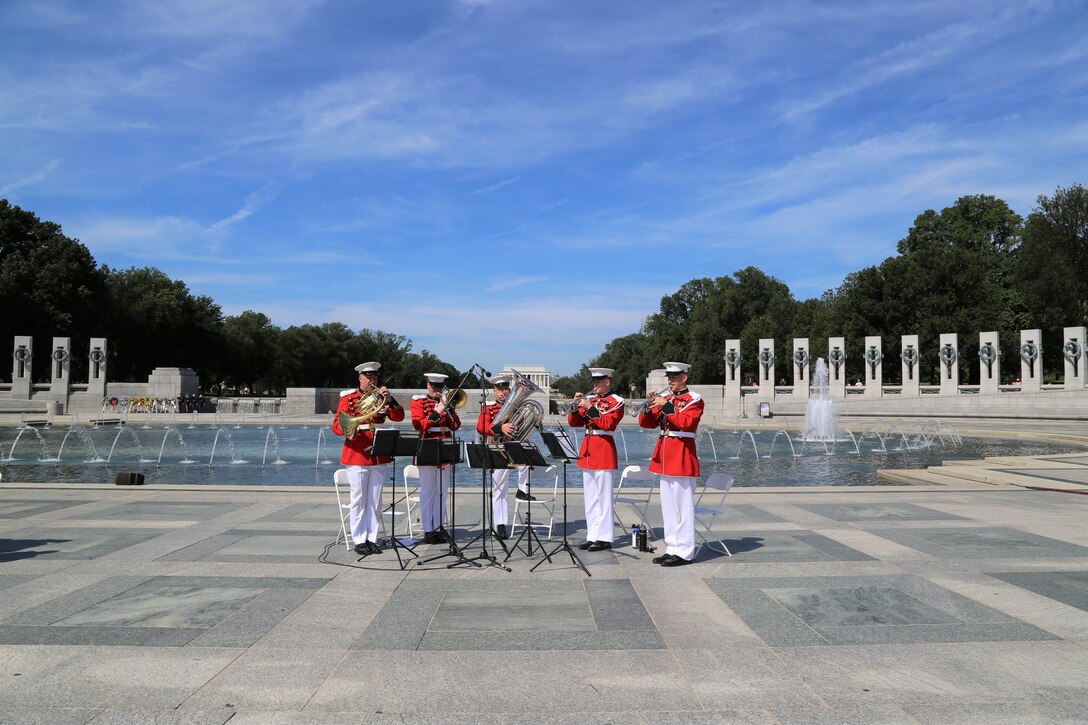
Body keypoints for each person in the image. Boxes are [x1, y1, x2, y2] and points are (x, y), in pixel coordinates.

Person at [331, 361, 405, 556]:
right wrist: (351, 427)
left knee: (375, 499)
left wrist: (390, 399)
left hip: (378, 453)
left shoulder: (382, 397)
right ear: (360, 378)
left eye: (375, 377)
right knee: (358, 498)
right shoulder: (349, 398)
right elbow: (337, 426)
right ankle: (358, 539)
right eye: (369, 377)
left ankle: (372, 538)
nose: (372, 380)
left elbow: (398, 416)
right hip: (357, 452)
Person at [638, 361, 704, 567]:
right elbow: (647, 424)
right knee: (668, 508)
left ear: (684, 377)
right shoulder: (667, 398)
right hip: (665, 456)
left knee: (683, 507)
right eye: (669, 378)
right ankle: (673, 547)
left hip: (682, 454)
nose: (670, 381)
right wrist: (648, 407)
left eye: (674, 377)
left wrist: (665, 405)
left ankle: (685, 552)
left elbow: (686, 423)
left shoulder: (694, 399)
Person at [567, 367, 624, 551]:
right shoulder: (590, 399)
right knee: (591, 498)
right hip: (588, 451)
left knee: (604, 498)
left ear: (607, 381)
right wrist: (575, 407)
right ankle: (592, 535)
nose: (595, 385)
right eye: (594, 381)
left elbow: (608, 424)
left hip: (604, 450)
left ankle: (605, 537)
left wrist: (590, 407)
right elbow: (574, 423)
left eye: (598, 381)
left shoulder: (616, 401)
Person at [475, 373, 533, 540]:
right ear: (494, 391)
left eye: (506, 388)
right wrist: (500, 428)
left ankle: (522, 490)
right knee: (500, 489)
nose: (503, 392)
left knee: (528, 459)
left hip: (513, 445)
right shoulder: (488, 407)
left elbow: (522, 424)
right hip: (497, 447)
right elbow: (481, 427)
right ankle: (500, 525)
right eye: (499, 389)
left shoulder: (517, 406)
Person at [410, 372, 461, 544]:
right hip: (427, 446)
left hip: (445, 446)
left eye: (440, 387)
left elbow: (456, 426)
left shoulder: (446, 403)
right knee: (428, 491)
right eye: (434, 386)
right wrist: (437, 412)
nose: (437, 390)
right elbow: (419, 424)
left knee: (442, 491)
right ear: (428, 386)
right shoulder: (419, 402)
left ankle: (439, 528)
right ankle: (428, 530)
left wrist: (450, 409)